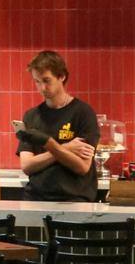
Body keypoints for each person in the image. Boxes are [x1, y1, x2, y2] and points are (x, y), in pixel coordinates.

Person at [16, 51, 99, 203]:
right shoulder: (31, 116)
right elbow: (27, 165)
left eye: (47, 80)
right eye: (37, 81)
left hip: (74, 199)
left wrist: (50, 145)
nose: (42, 88)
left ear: (61, 76)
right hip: (35, 198)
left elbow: (82, 167)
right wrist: (66, 148)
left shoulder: (83, 113)